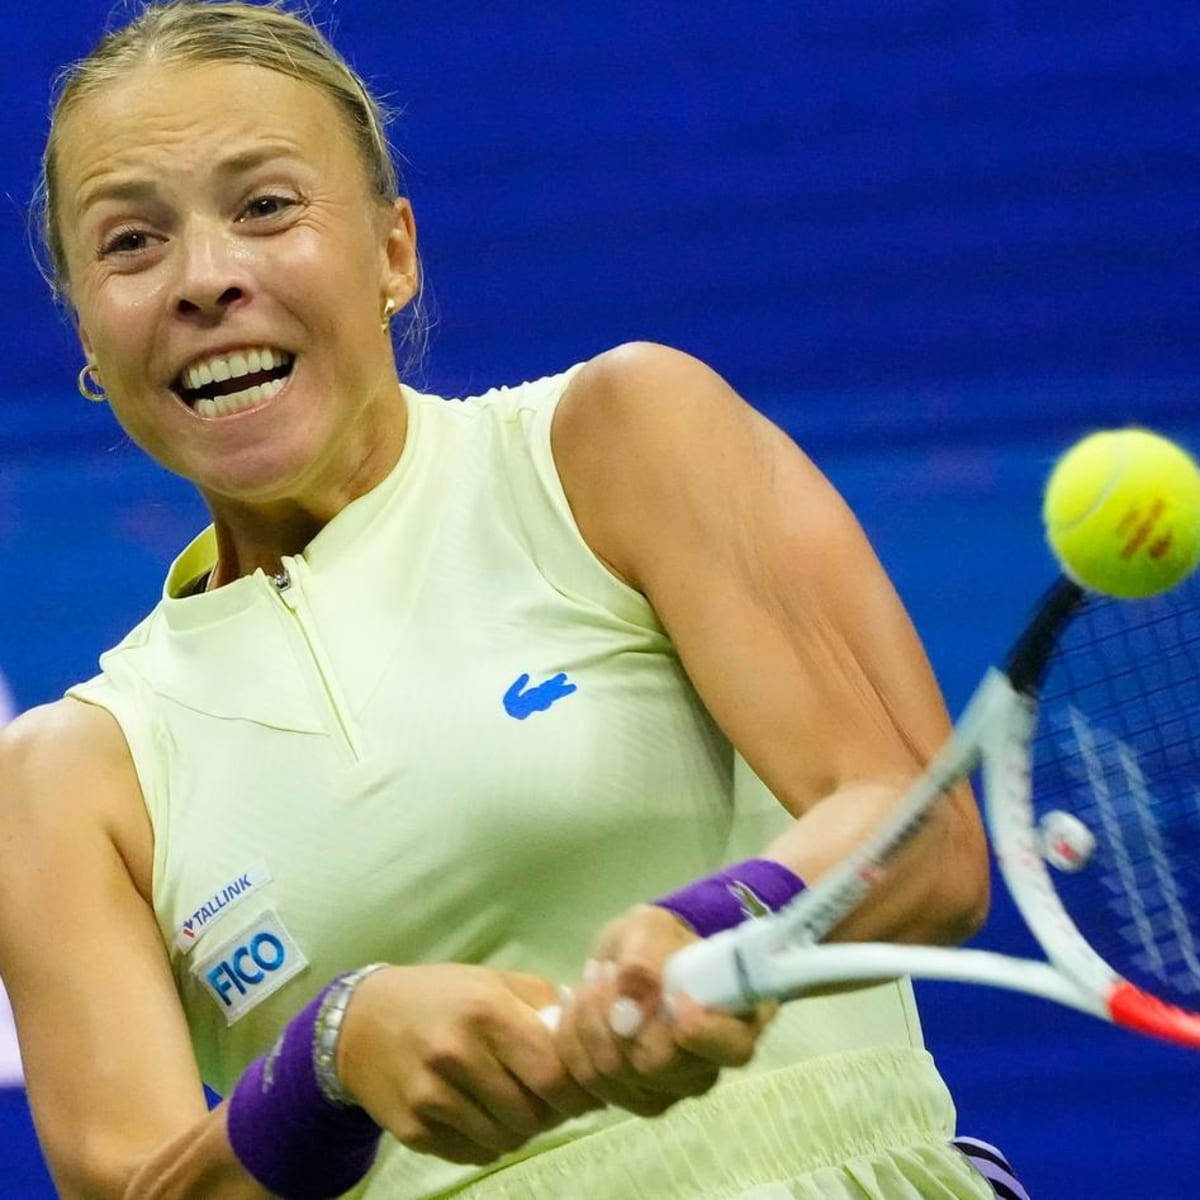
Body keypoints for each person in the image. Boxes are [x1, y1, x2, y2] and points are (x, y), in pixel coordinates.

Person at [0, 3, 1031, 1198]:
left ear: (393, 252)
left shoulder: (618, 441)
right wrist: (328, 1065)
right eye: (131, 243)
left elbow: (922, 836)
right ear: (85, 326)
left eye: (266, 207)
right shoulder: (68, 778)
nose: (207, 279)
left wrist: (713, 930)